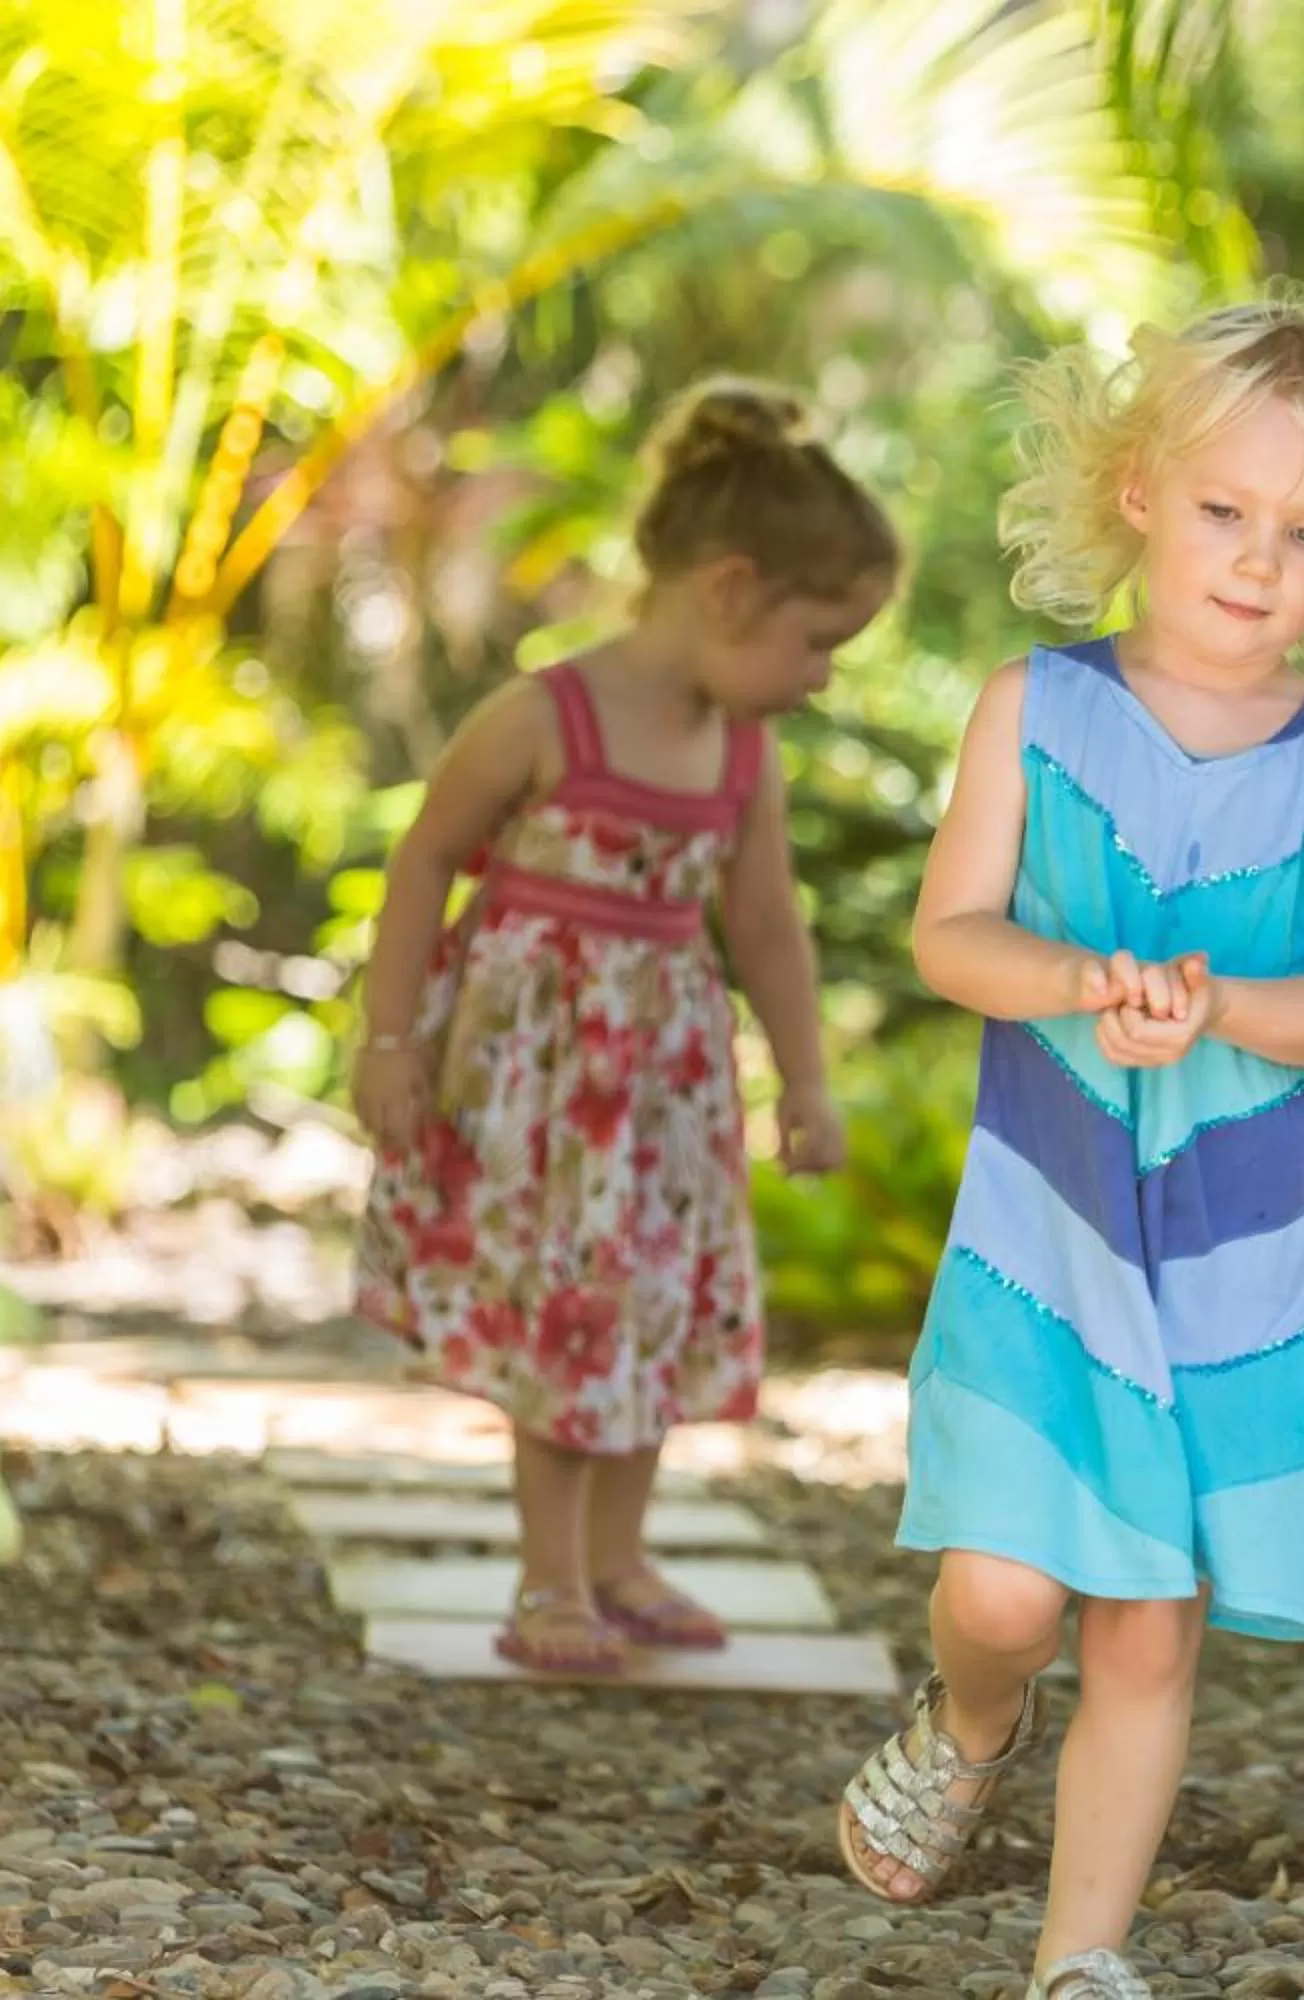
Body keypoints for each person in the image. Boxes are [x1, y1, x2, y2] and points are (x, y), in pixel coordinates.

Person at [835, 294, 1304, 1999]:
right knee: (1004, 1598)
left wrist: (1224, 1007)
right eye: (1223, 513)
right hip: (1044, 1231)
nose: (1259, 563)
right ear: (1136, 493)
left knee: (1149, 1616)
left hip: (1228, 1254)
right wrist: (1078, 980)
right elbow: (949, 936)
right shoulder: (1031, 711)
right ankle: (970, 1725)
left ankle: (1080, 1959)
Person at [348, 379, 895, 1673]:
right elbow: (426, 860)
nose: (819, 679)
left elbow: (764, 924)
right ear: (727, 587)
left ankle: (619, 1556)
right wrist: (390, 1039)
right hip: (541, 1096)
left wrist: (804, 1082)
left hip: (665, 1092)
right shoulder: (545, 718)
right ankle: (550, 1577)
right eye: (816, 641)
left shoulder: (742, 753)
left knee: (647, 1309)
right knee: (567, 1314)